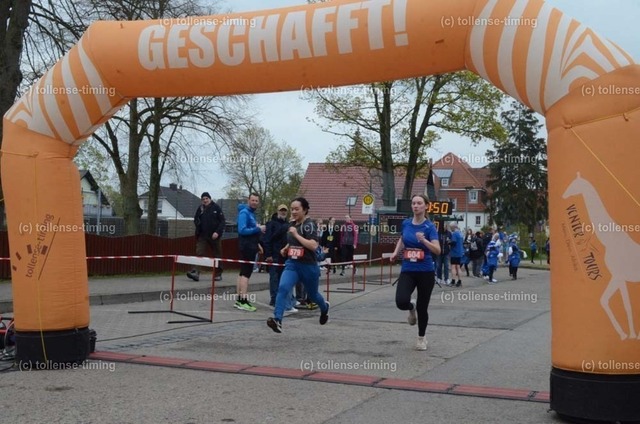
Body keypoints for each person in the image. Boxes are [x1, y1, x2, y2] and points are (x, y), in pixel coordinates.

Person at [267, 197, 330, 333]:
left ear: (305, 210)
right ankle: (277, 320)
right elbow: (293, 241)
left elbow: (313, 245)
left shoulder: (309, 225)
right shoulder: (292, 224)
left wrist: (296, 235)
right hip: (293, 264)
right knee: (282, 288)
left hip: (308, 266)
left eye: (297, 209)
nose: (294, 212)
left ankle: (324, 308)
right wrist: (286, 248)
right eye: (292, 209)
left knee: (313, 295)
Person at [390, 194, 441, 351]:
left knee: (422, 307)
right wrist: (395, 252)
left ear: (426, 206)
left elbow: (437, 250)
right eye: (413, 203)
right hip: (408, 270)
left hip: (425, 271)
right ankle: (410, 307)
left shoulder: (430, 227)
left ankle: (421, 338)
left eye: (419, 203)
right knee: (401, 301)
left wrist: (424, 241)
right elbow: (402, 239)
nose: (416, 206)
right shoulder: (406, 223)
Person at [235, 193, 266, 312]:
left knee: (242, 272)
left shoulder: (251, 214)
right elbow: (242, 230)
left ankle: (239, 299)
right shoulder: (245, 213)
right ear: (248, 200)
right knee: (246, 274)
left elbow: (251, 231)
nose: (254, 202)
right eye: (252, 200)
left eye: (256, 201)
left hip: (251, 246)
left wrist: (258, 245)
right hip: (246, 247)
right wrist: (258, 228)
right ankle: (243, 300)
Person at [187, 192, 225, 282]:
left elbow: (222, 221)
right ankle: (195, 272)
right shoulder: (200, 208)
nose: (205, 200)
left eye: (206, 199)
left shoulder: (216, 208)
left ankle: (218, 274)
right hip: (202, 235)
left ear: (210, 199)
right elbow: (196, 219)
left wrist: (217, 232)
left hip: (214, 236)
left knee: (217, 254)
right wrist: (198, 225)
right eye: (203, 199)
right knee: (199, 253)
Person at [264, 205, 290, 307]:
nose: (283, 212)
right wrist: (268, 254)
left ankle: (282, 298)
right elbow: (267, 240)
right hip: (274, 255)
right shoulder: (271, 224)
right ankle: (274, 299)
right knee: (274, 278)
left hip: (285, 256)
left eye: (285, 211)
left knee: (283, 278)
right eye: (281, 210)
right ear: (277, 211)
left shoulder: (288, 224)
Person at [448, 222, 464, 287]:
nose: (450, 229)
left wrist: (448, 242)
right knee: (458, 267)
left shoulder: (454, 234)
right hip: (460, 251)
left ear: (453, 227)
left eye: (451, 227)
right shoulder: (460, 233)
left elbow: (454, 243)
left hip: (454, 252)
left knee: (453, 267)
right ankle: (459, 281)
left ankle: (453, 281)